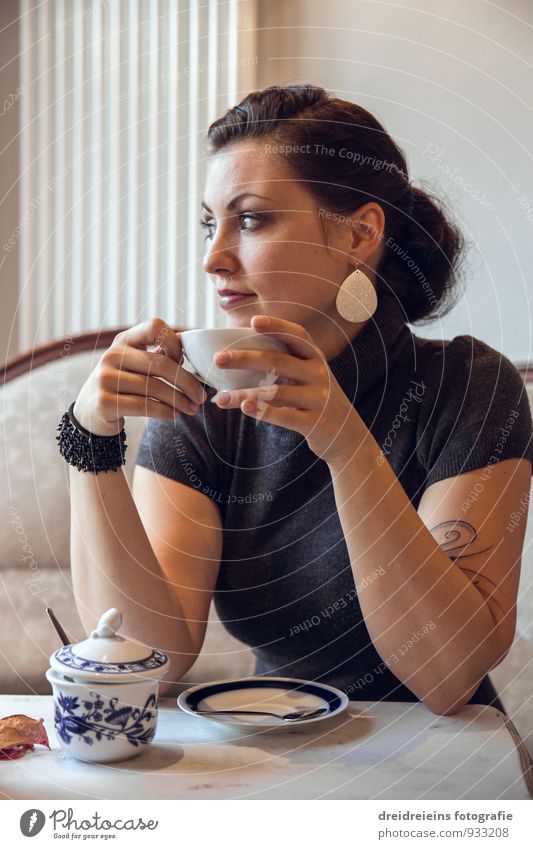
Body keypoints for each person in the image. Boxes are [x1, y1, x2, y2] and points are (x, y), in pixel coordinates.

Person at [63, 84, 533, 715]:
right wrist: (88, 441)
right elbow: (151, 657)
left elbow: (446, 678)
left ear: (359, 235)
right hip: (269, 744)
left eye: (250, 219)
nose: (213, 258)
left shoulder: (468, 385)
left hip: (441, 763)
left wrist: (346, 445)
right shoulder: (205, 402)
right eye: (209, 224)